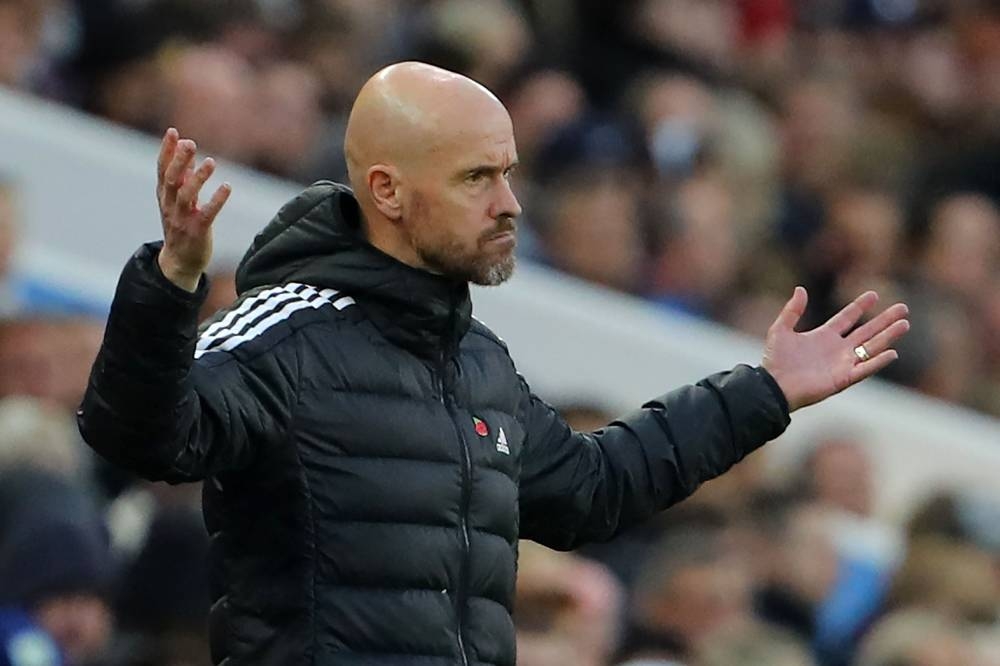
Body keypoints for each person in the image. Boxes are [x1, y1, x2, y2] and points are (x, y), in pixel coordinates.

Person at [77, 61, 910, 665]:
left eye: (508, 173)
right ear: (389, 191)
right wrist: (172, 280)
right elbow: (142, 436)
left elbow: (588, 492)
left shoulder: (475, 360)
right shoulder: (287, 330)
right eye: (478, 177)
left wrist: (762, 391)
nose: (510, 202)